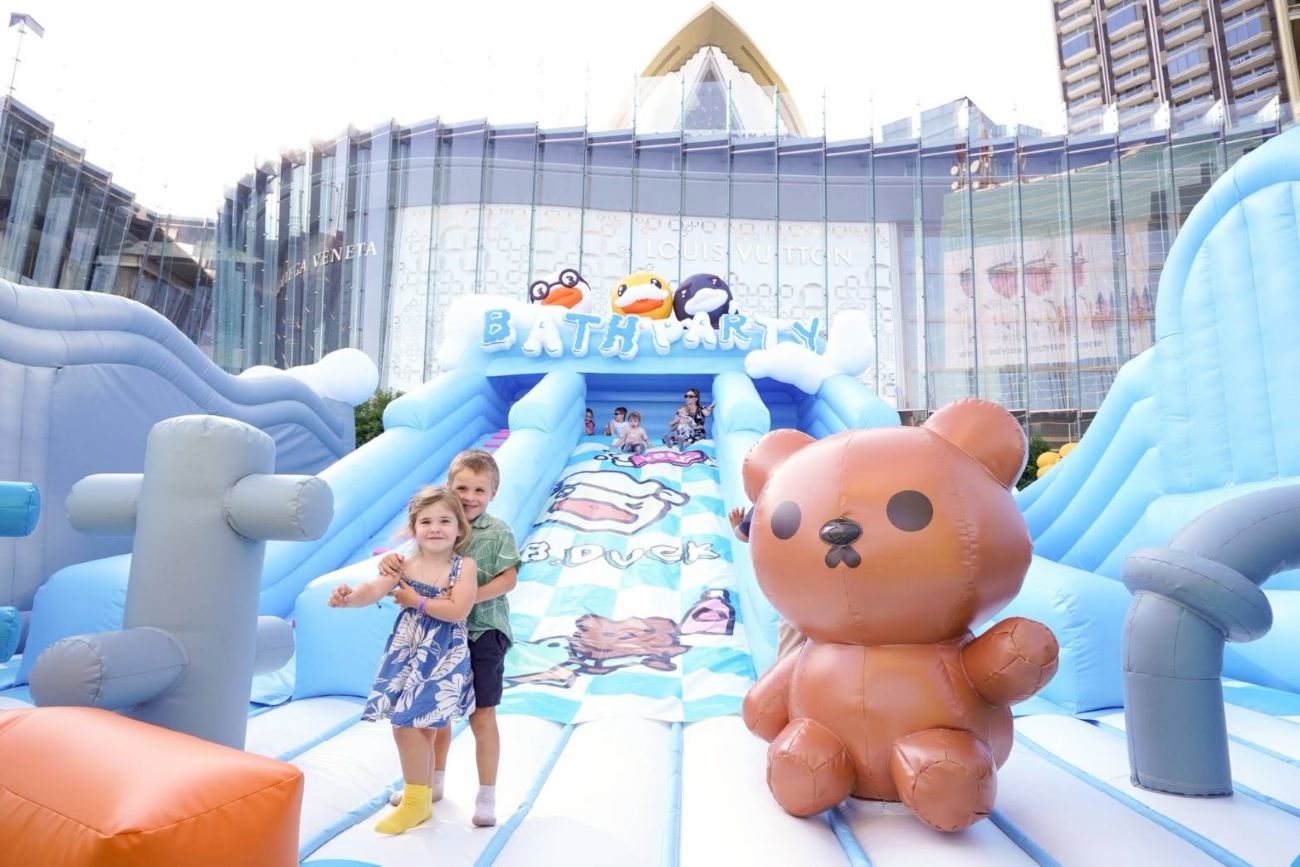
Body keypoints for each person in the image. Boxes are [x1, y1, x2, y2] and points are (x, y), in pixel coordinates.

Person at [379, 450, 521, 827]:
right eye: (462, 488)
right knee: (433, 711)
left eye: (480, 490)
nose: (470, 497)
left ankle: (486, 794)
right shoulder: (441, 524)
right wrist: (388, 562)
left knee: (482, 713)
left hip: (482, 630)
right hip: (438, 632)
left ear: (493, 493)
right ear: (449, 486)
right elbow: (411, 561)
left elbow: (508, 579)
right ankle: (431, 783)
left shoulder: (497, 532)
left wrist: (464, 598)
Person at [329, 486, 477, 835]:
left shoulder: (463, 567)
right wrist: (350, 597)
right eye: (426, 521)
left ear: (460, 528)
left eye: (445, 521)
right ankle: (420, 798)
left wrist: (417, 602)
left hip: (441, 656)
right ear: (414, 528)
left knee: (406, 725)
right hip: (408, 652)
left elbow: (458, 610)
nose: (435, 528)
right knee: (418, 726)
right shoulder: (404, 564)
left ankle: (415, 802)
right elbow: (373, 589)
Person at [728, 503, 806, 661]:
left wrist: (736, 526)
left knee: (791, 639)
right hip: (820, 571)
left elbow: (744, 534)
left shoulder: (767, 498)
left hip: (795, 582)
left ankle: (785, 670)